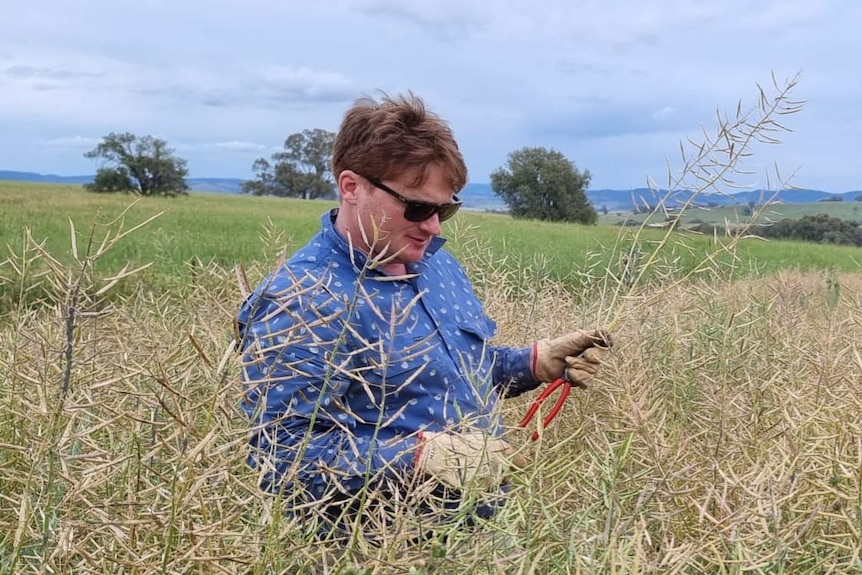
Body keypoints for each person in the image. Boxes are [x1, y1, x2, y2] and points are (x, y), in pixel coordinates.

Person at [235, 92, 611, 541]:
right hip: (379, 549)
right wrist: (419, 456)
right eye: (416, 207)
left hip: (479, 531)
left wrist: (532, 363)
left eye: (445, 208)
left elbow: (447, 377)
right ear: (352, 187)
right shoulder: (304, 300)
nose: (433, 226)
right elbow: (283, 458)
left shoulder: (435, 263)